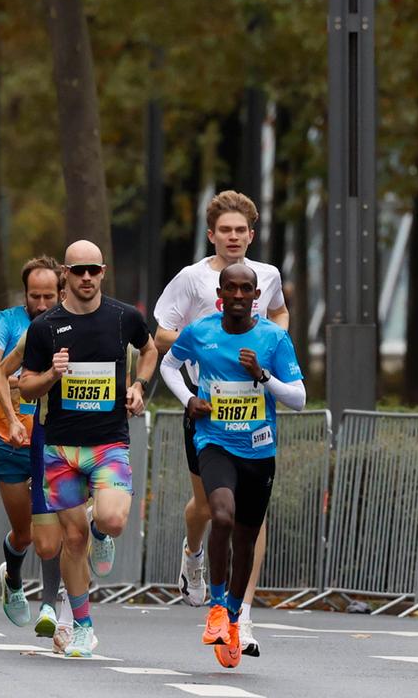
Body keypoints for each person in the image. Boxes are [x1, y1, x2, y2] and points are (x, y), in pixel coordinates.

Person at [0, 240, 157, 658]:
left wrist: (139, 386)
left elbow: (151, 348)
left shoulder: (124, 318)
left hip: (108, 443)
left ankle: (103, 532)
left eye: (94, 270)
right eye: (78, 270)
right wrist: (52, 373)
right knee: (71, 537)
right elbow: (26, 384)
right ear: (65, 273)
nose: (86, 277)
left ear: (103, 272)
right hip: (60, 448)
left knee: (113, 519)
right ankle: (83, 625)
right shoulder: (45, 326)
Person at [151, 190, 289, 657]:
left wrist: (273, 340)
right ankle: (193, 557)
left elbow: (278, 313)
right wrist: (207, 338)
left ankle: (240, 618)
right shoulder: (191, 279)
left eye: (240, 231)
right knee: (208, 508)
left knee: (250, 519)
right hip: (205, 407)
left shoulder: (265, 275)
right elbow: (162, 332)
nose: (233, 237)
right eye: (224, 231)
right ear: (212, 235)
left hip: (253, 415)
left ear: (251, 234)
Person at [0, 257, 67, 633]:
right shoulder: (8, 322)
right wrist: (31, 380)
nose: (43, 304)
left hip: (53, 441)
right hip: (12, 440)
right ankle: (12, 576)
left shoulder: (69, 322)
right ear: (25, 294)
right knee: (25, 532)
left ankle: (49, 605)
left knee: (53, 526)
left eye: (50, 295)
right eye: (36, 296)